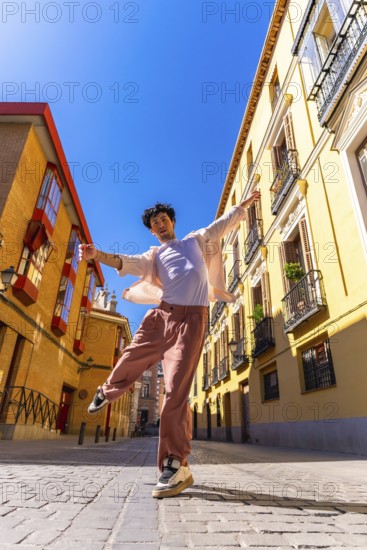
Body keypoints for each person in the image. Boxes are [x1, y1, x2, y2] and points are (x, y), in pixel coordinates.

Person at [78, 191, 260, 498]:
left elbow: (222, 224)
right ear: (152, 230)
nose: (160, 224)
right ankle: (106, 391)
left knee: (175, 390)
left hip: (193, 321)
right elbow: (126, 261)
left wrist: (242, 206)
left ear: (172, 222)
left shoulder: (195, 240)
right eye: (154, 223)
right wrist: (98, 255)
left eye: (163, 219)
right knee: (132, 354)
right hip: (163, 315)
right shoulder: (154, 256)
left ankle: (175, 465)